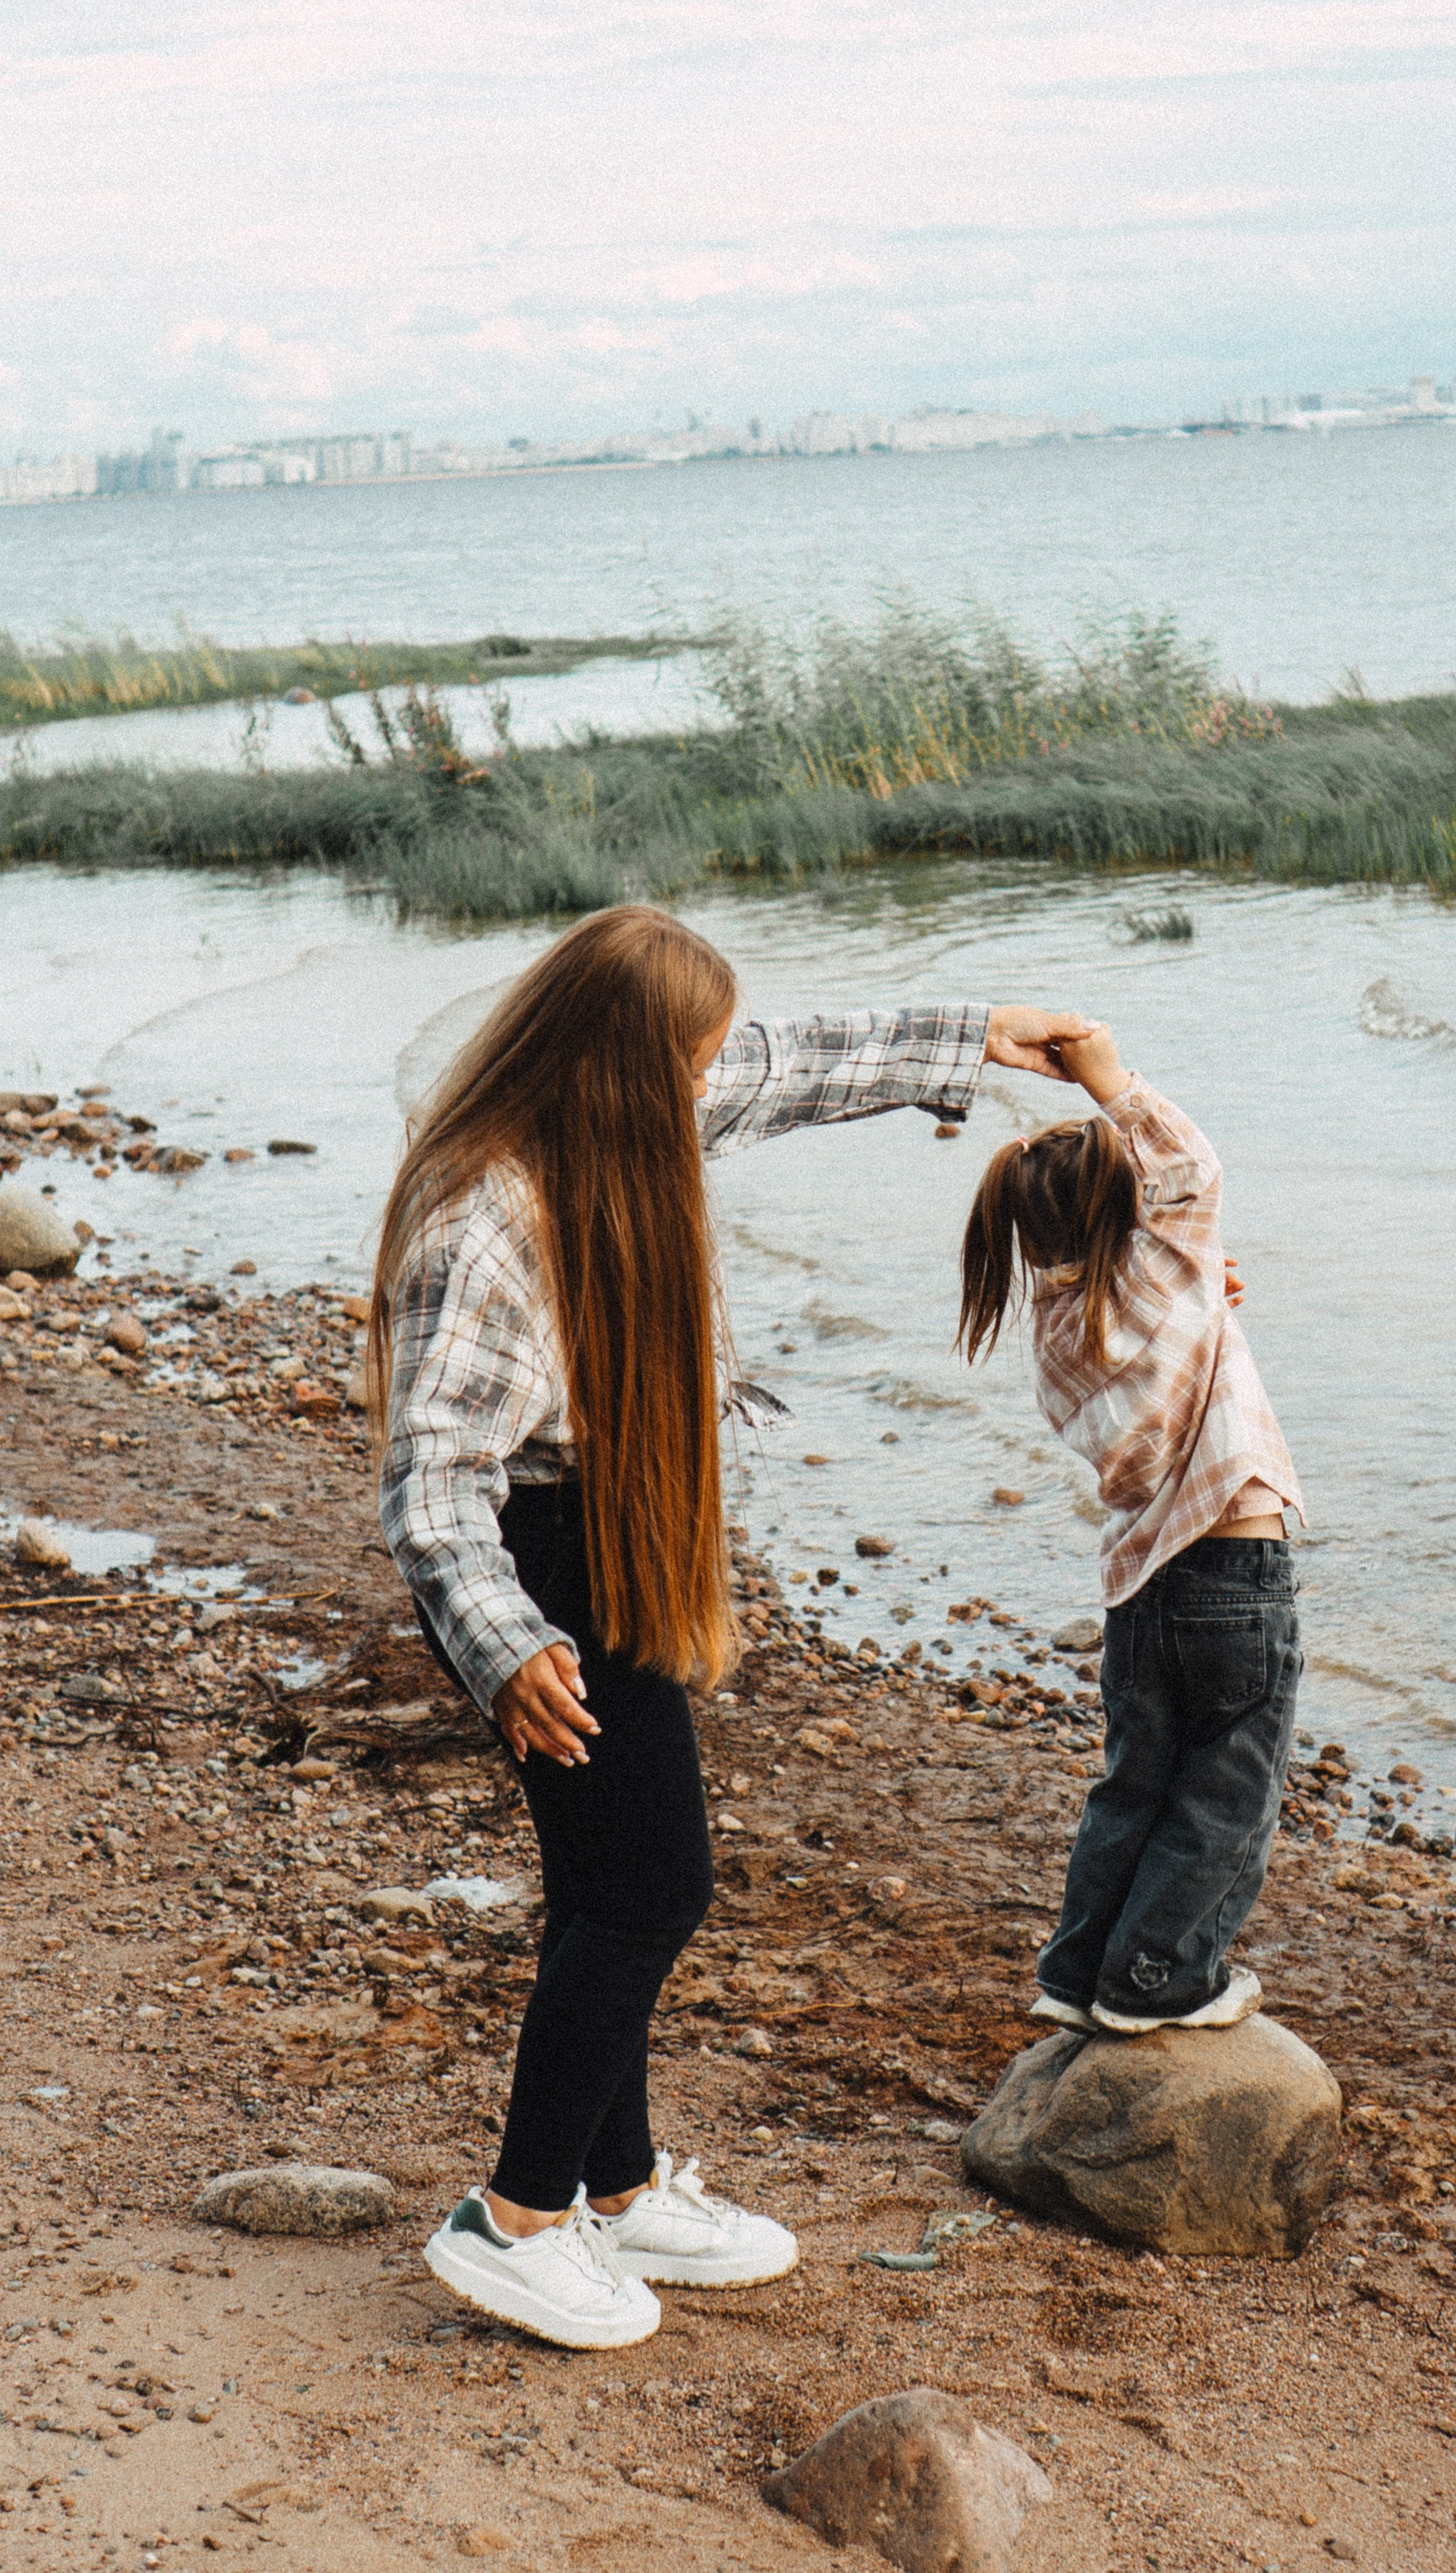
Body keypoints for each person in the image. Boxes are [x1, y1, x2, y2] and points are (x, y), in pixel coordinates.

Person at [370, 902, 1093, 2349]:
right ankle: (514, 2219)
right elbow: (429, 1475)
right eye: (686, 1063)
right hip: (546, 1570)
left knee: (605, 1882)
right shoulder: (493, 1215)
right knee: (649, 1890)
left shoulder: (620, 1124)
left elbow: (783, 1062)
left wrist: (972, 1038)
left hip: (609, 1544)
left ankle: (616, 2184)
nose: (710, 1083)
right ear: (619, 1064)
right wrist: (507, 1645)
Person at [957, 1020, 1302, 2036]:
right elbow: (1191, 1166)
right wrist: (1111, 1082)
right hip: (1235, 1570)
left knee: (1135, 1785)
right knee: (1229, 1789)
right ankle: (1157, 1979)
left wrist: (1204, 1284)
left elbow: (1159, 1240)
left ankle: (1075, 1971)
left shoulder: (1059, 1331)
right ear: (1134, 1213)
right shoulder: (1168, 1271)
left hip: (1142, 1590)